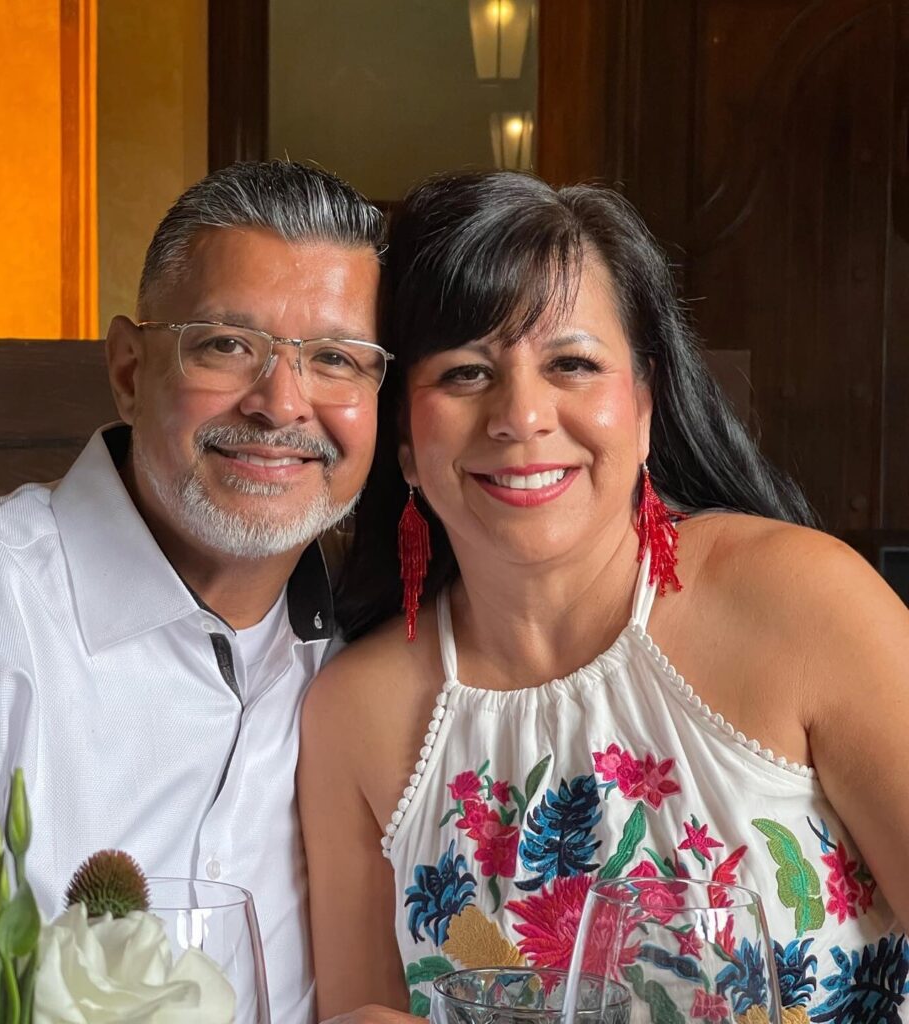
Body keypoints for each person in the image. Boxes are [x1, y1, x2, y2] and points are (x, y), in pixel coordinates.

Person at [300, 171, 909, 1024]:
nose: (522, 415)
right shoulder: (351, 717)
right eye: (466, 373)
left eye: (573, 364)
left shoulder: (806, 602)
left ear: (645, 406)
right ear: (404, 438)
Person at [0, 160, 387, 1022]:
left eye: (336, 358)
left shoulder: (371, 655)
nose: (280, 403)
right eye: (227, 345)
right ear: (128, 369)